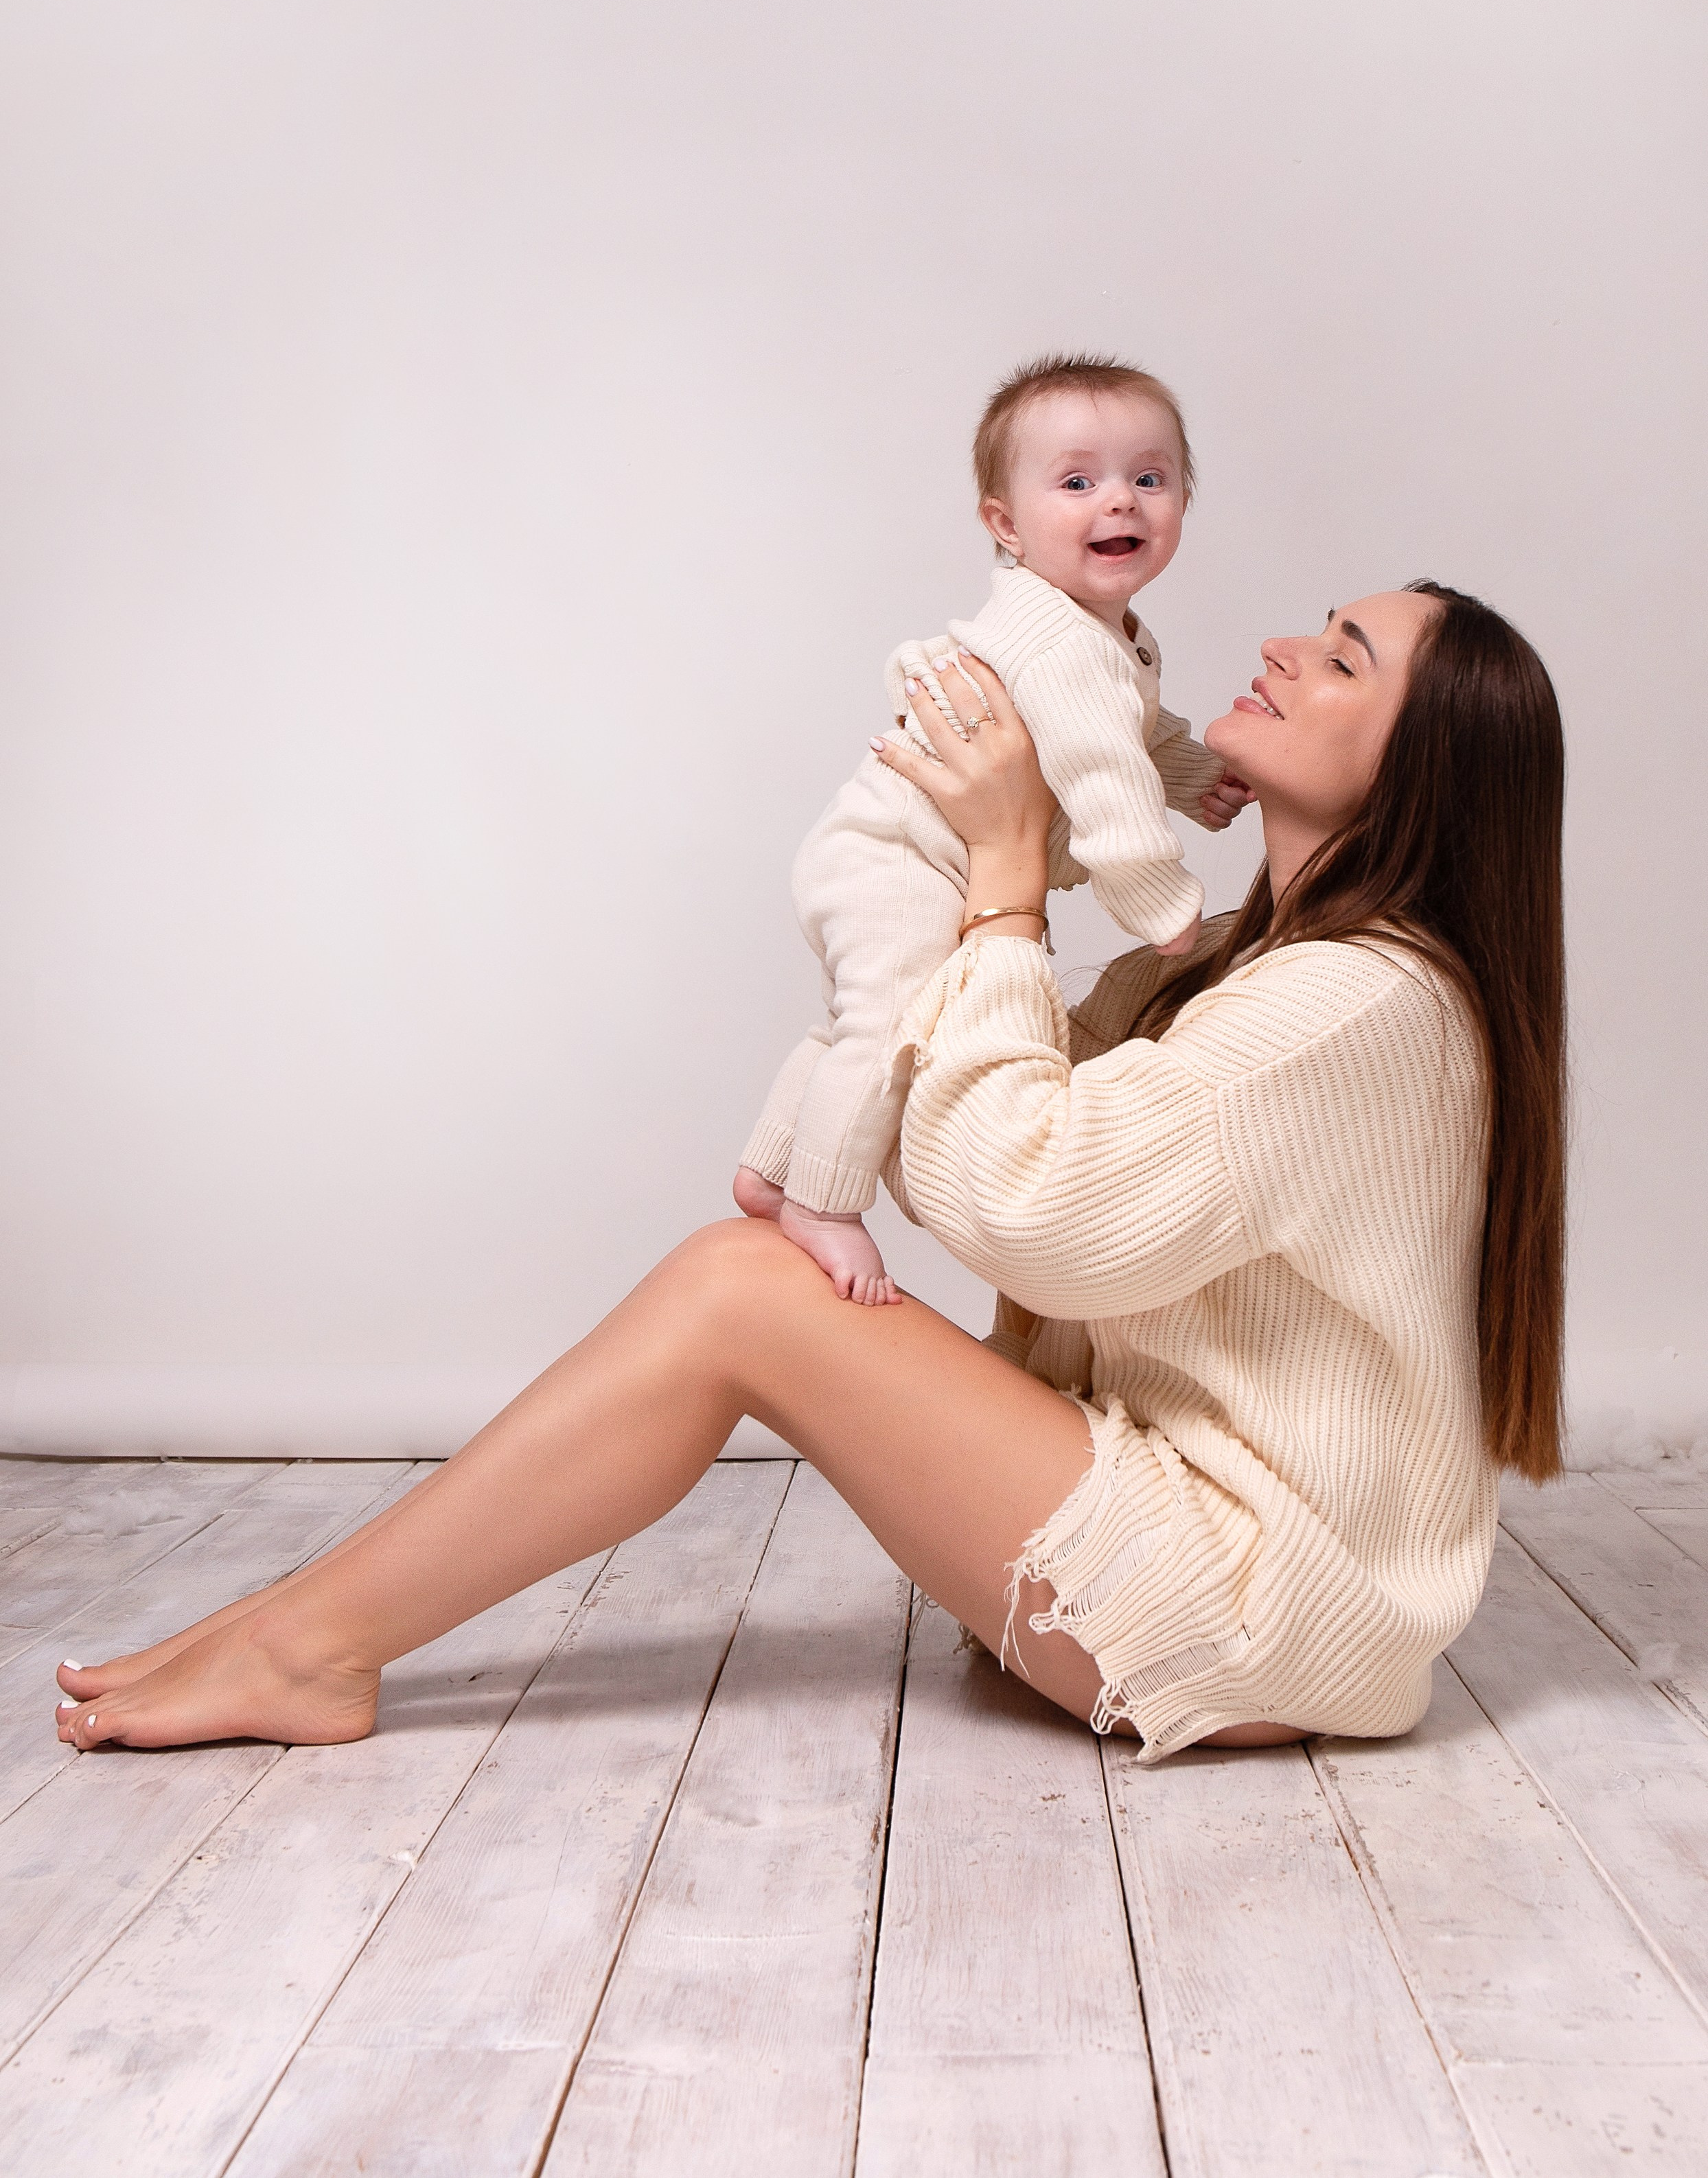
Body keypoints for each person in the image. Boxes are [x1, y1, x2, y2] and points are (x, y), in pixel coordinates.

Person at [54, 579, 1565, 1759]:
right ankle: (310, 1623)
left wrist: (1004, 880)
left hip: (1258, 1612)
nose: (1286, 646)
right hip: (1256, 1580)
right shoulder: (1260, 968)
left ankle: (309, 1643)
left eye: (1345, 657)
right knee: (748, 1282)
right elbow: (961, 1143)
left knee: (740, 1295)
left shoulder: (1353, 1002)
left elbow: (1027, 1213)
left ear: (1422, 768)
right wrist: (935, 884)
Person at [735, 354, 1249, 1304]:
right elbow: (1101, 783)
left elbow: (1135, 736)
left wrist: (1197, 776)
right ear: (1005, 525)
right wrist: (1161, 903)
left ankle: (771, 1166)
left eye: (1150, 478)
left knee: (856, 1020)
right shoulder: (1061, 643)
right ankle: (822, 1202)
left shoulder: (1099, 634)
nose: (1121, 504)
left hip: (879, 847)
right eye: (1077, 481)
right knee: (890, 1032)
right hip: (901, 856)